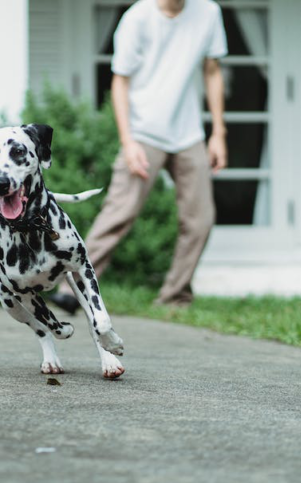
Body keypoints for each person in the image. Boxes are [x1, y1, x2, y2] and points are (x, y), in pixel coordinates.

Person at [50, 0, 228, 312]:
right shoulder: (137, 18)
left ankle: (174, 296)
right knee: (119, 214)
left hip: (189, 134)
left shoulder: (208, 12)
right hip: (144, 133)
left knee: (200, 220)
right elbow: (120, 82)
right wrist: (128, 141)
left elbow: (212, 71)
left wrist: (219, 133)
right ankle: (72, 288)